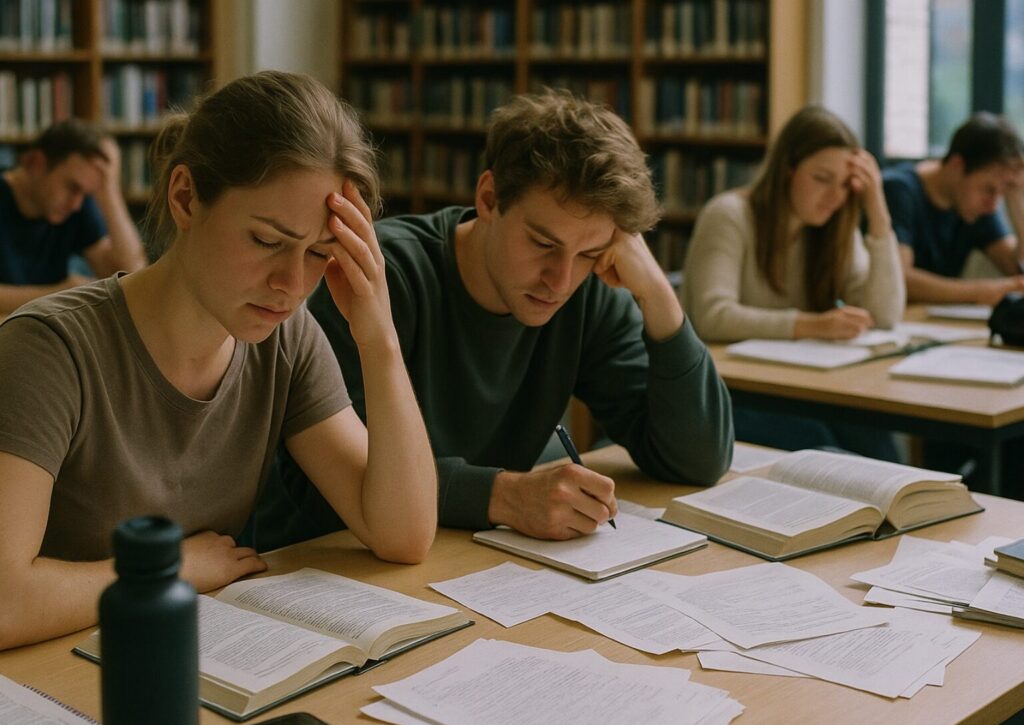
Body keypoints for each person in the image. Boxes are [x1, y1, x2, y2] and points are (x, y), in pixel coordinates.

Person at [0, 71, 437, 651]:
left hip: (186, 655)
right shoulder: (47, 349)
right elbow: (5, 603)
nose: (291, 284)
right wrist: (171, 569)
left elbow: (403, 535)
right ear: (185, 197)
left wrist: (378, 338)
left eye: (318, 253)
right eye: (267, 241)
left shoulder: (287, 340)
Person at [261, 89, 733, 548]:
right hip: (320, 560)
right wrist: (503, 497)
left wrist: (658, 297)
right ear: (488, 198)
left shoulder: (587, 293)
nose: (560, 280)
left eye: (589, 253)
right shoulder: (377, 279)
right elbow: (338, 487)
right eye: (543, 243)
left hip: (461, 554)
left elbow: (697, 461)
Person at [683, 105, 904, 459]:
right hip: (725, 392)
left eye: (845, 184)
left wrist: (878, 213)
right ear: (787, 169)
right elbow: (713, 316)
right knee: (822, 441)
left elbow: (885, 315)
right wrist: (814, 325)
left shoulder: (833, 227)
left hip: (798, 386)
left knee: (873, 434)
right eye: (822, 178)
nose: (835, 197)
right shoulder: (729, 215)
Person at [0, 118, 147, 313]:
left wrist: (109, 192)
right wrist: (59, 295)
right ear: (37, 163)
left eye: (86, 193)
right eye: (72, 187)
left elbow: (132, 276)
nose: (76, 204)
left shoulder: (75, 203)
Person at [882, 111, 1024, 305]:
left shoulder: (975, 204)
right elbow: (899, 279)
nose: (992, 206)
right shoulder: (898, 191)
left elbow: (1016, 269)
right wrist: (980, 292)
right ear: (957, 165)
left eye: (1002, 193)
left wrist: (1017, 201)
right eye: (989, 190)